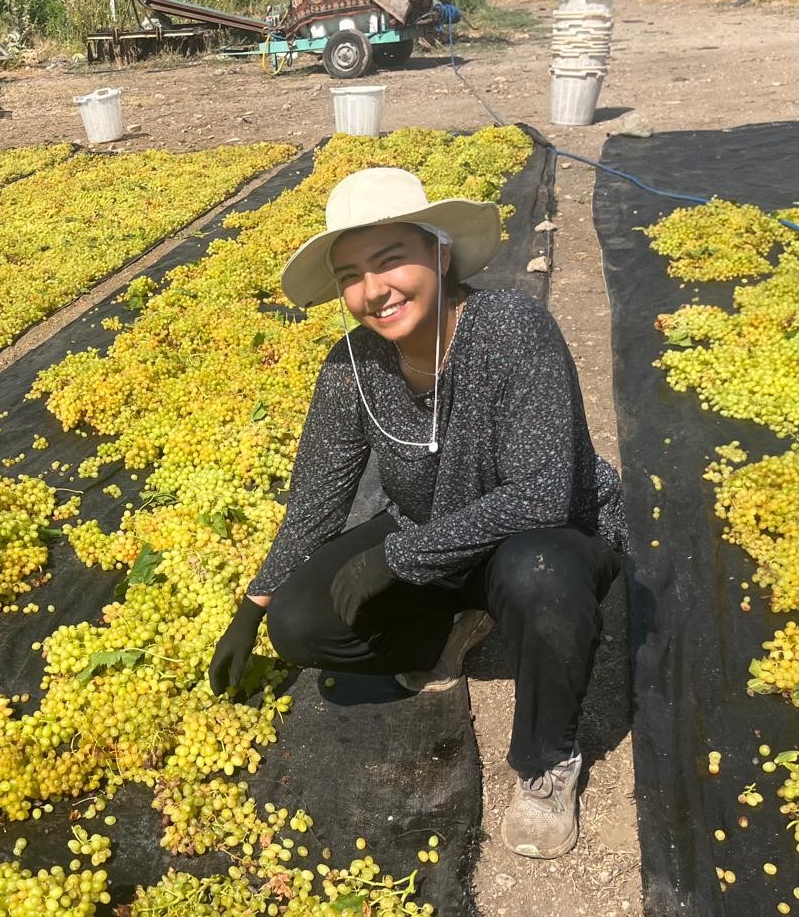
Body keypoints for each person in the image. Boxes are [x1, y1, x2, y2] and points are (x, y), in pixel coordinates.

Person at [206, 168, 627, 859]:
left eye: (389, 260)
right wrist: (253, 607)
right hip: (434, 536)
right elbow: (315, 504)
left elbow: (541, 495)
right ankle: (450, 632)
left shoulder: (514, 331)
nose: (374, 290)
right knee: (301, 619)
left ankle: (547, 761)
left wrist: (395, 559)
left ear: (438, 254)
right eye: (351, 275)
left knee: (539, 574)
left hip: (553, 536)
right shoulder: (351, 368)